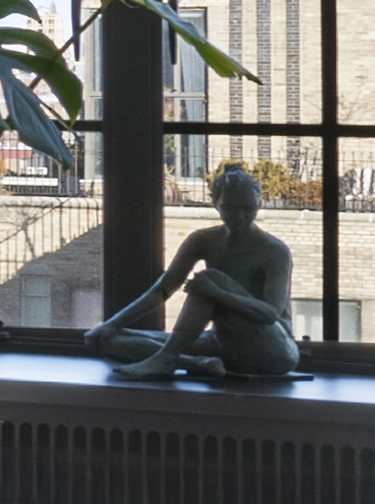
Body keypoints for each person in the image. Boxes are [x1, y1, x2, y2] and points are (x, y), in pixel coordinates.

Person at [87, 164, 304, 383]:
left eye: (248, 209)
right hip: (222, 343)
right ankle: (195, 363)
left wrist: (215, 293)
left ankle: (168, 357)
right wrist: (111, 324)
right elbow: (162, 290)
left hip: (271, 350)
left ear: (258, 205)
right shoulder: (203, 240)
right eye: (231, 207)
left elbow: (270, 314)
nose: (240, 216)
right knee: (106, 339)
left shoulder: (274, 251)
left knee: (211, 279)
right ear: (216, 203)